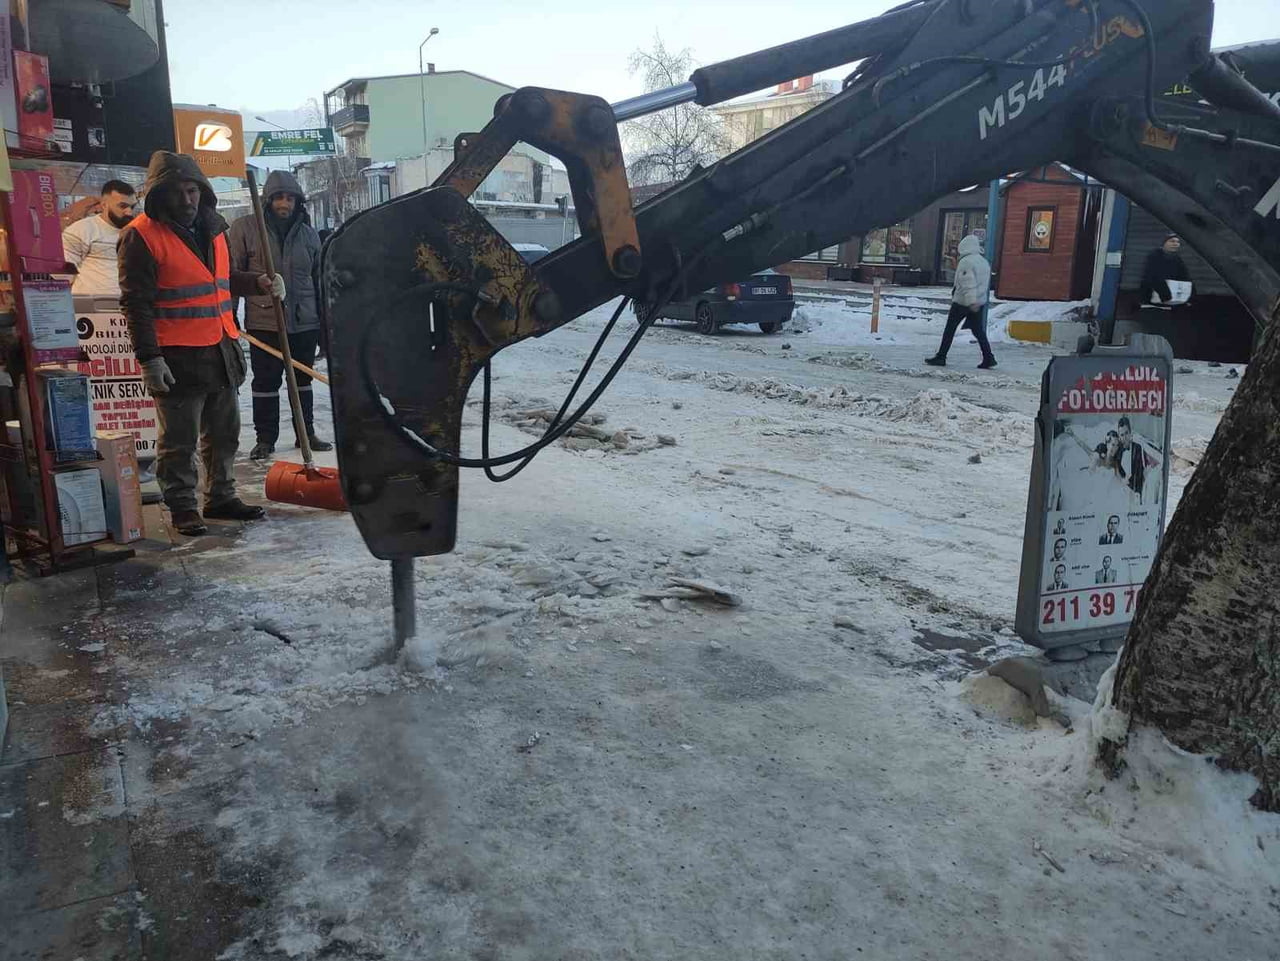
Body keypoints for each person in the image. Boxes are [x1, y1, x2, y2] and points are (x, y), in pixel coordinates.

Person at [118, 151, 281, 537]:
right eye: (177, 192)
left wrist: (257, 282)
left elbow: (221, 279)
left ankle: (221, 496)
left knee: (224, 435)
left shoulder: (214, 229)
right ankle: (183, 507)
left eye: (193, 190)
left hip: (221, 348)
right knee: (179, 442)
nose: (187, 199)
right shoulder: (140, 236)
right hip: (176, 357)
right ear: (159, 196)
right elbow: (135, 303)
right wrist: (149, 359)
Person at [228, 170, 332, 460]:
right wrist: (230, 316)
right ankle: (265, 438)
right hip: (264, 320)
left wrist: (324, 328)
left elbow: (319, 282)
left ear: (298, 202)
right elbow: (231, 275)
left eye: (290, 198)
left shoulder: (309, 235)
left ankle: (305, 433)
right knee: (265, 383)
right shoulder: (245, 228)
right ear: (268, 200)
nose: (284, 204)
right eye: (278, 198)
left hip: (304, 321)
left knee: (303, 381)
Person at [926, 233, 996, 370]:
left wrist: (971, 301)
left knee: (950, 329)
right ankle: (988, 357)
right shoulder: (983, 261)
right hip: (979, 302)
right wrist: (977, 302)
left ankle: (941, 356)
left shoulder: (966, 262)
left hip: (963, 302)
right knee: (978, 331)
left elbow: (967, 283)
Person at [61, 180, 137, 297]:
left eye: (132, 206)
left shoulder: (136, 233)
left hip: (127, 308)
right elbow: (64, 275)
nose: (129, 212)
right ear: (104, 205)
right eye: (122, 206)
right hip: (88, 308)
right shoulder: (81, 230)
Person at [1138, 234, 1191, 310]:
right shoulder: (1154, 256)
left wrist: (1188, 296)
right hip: (1152, 301)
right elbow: (1153, 277)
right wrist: (1166, 296)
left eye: (1177, 242)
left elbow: (1185, 277)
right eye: (1172, 241)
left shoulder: (1177, 259)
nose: (1175, 244)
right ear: (1164, 243)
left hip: (1169, 302)